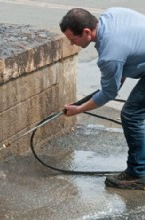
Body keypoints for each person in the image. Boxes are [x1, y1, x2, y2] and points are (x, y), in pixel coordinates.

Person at [59, 7, 145, 190]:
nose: (72, 44)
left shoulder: (109, 55)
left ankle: (138, 174)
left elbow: (109, 93)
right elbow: (130, 49)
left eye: (73, 39)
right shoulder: (111, 14)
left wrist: (78, 109)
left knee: (131, 115)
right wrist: (115, 76)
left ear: (86, 32)